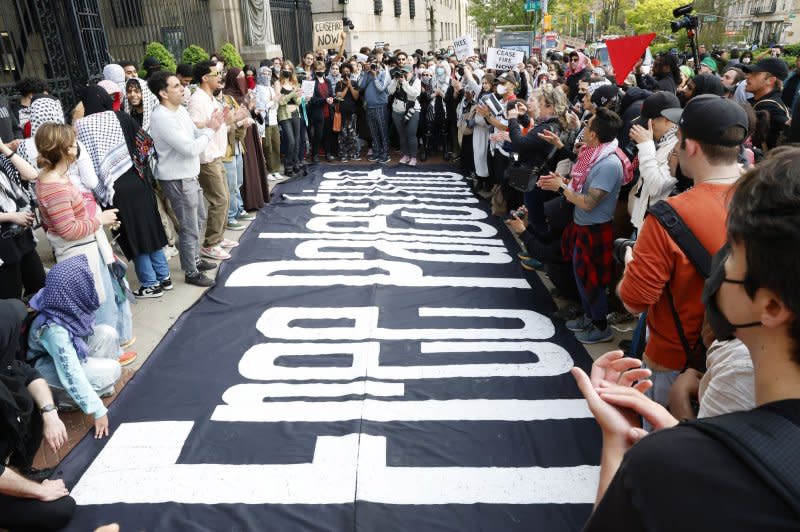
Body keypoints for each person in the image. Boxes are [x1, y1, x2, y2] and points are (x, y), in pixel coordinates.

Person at [576, 146, 800, 531]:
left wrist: (621, 446)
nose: (718, 263)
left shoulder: (675, 469)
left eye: (733, 254)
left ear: (772, 306)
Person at [618, 95, 747, 408]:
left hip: (675, 360)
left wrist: (629, 265)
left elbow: (634, 300)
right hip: (747, 357)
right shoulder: (768, 199)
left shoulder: (668, 217)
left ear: (691, 147)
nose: (674, 145)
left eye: (679, 137)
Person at [75, 86, 170, 301]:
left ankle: (150, 283)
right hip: (138, 181)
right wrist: (137, 165)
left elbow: (86, 162)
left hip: (115, 189)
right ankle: (164, 277)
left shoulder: (81, 126)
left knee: (131, 233)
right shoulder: (121, 117)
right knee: (150, 227)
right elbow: (146, 145)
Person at [539, 108, 625, 344]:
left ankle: (600, 326)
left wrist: (561, 187)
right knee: (582, 279)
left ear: (595, 135)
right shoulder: (596, 153)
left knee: (593, 281)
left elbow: (587, 202)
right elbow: (581, 184)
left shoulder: (608, 164)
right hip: (583, 227)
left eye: (588, 126)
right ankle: (590, 316)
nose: (584, 128)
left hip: (594, 229)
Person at [0, 299, 75, 531]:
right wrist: (39, 491)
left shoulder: (4, 362)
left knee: (33, 399)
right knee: (60, 509)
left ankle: (21, 468)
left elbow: (31, 376)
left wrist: (50, 413)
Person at [27, 255, 120, 434]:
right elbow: (71, 373)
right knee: (112, 370)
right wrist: (98, 411)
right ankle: (67, 401)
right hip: (46, 370)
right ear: (73, 290)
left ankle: (94, 388)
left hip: (58, 357)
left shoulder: (57, 300)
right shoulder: (54, 330)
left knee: (107, 333)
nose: (89, 288)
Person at [148, 71, 224, 288]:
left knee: (199, 218)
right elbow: (190, 148)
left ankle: (194, 260)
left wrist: (209, 126)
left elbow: (194, 136)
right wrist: (211, 130)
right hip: (177, 178)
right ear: (163, 93)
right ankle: (191, 271)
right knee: (190, 225)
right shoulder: (162, 117)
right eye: (176, 86)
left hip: (188, 175)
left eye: (181, 85)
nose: (183, 89)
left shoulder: (179, 110)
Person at [188, 61, 237, 261]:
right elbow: (193, 126)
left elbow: (219, 123)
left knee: (225, 197)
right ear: (204, 78)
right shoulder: (197, 99)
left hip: (216, 153)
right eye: (216, 73)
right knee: (220, 199)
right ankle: (211, 244)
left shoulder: (210, 98)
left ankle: (219, 236)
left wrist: (235, 117)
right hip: (206, 158)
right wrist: (208, 124)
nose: (220, 76)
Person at [627, 92, 681, 233]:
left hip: (654, 229)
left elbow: (656, 187)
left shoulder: (677, 148)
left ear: (666, 120)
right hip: (641, 222)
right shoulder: (660, 141)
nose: (646, 128)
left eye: (651, 123)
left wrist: (646, 146)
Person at [0, 141, 45, 299]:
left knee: (40, 286)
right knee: (12, 297)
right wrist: (12, 216)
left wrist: (5, 149)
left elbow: (32, 174)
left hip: (22, 235)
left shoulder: (3, 159)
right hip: (4, 246)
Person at [223, 67, 270, 211]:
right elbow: (233, 117)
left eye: (244, 77)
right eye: (240, 77)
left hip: (250, 132)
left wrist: (253, 109)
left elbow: (249, 114)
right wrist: (247, 108)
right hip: (240, 135)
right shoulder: (228, 95)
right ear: (232, 79)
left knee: (252, 165)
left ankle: (257, 197)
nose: (243, 80)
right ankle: (245, 203)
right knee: (243, 171)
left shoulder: (244, 93)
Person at [743, 57, 790, 151]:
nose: (747, 76)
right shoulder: (768, 102)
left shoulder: (769, 107)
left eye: (755, 73)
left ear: (771, 80)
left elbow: (787, 127)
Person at [389, 65, 422, 166]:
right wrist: (395, 81)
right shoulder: (396, 80)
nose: (403, 75)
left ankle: (413, 156)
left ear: (411, 73)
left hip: (412, 110)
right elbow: (390, 91)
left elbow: (415, 93)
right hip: (397, 111)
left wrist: (404, 83)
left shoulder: (416, 81)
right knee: (402, 135)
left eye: (406, 73)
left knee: (411, 135)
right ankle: (405, 155)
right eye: (402, 73)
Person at [359, 58, 391, 164]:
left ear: (379, 63)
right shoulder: (368, 73)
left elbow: (381, 88)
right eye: (371, 63)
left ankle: (386, 154)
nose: (373, 65)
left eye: (375, 63)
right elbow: (361, 86)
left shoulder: (384, 73)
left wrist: (375, 75)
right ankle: (376, 152)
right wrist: (365, 72)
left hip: (380, 106)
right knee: (373, 132)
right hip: (369, 107)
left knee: (383, 131)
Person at [254, 66, 283, 180]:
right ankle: (268, 170)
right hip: (264, 121)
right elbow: (260, 106)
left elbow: (275, 105)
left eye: (269, 74)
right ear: (259, 75)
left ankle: (275, 169)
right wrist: (273, 101)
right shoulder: (257, 89)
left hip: (274, 120)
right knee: (267, 146)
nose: (267, 76)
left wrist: (276, 101)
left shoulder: (271, 88)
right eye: (264, 74)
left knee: (276, 144)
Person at [277, 64, 305, 177]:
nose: (287, 71)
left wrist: (300, 95)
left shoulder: (295, 83)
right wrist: (292, 94)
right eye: (285, 69)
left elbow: (298, 102)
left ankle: (296, 164)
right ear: (282, 70)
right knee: (291, 141)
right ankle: (288, 166)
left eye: (289, 69)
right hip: (284, 115)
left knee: (297, 141)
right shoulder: (278, 83)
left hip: (295, 114)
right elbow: (281, 102)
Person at [307, 61, 336, 163]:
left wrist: (332, 98)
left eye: (322, 69)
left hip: (328, 110)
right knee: (318, 134)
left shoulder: (327, 81)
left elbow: (331, 93)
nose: (320, 71)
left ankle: (328, 154)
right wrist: (324, 100)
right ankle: (314, 155)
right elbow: (312, 99)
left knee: (328, 134)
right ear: (314, 70)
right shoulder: (312, 82)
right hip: (317, 112)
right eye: (318, 69)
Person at [335, 63, 361, 161]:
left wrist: (350, 86)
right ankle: (343, 154)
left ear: (350, 72)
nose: (346, 73)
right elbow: (340, 96)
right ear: (341, 72)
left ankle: (353, 153)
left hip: (352, 113)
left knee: (352, 133)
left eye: (348, 71)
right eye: (344, 71)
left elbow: (356, 97)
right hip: (341, 113)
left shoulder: (354, 83)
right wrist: (346, 86)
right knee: (343, 134)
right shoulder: (339, 84)